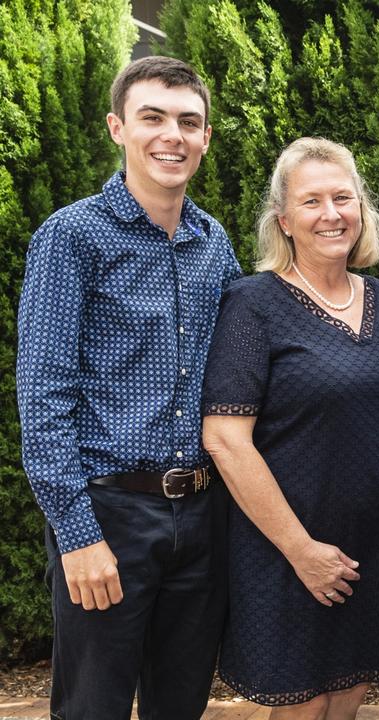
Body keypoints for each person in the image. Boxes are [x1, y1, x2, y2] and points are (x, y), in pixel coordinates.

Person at [15, 56, 241, 720]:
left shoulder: (213, 244)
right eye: (153, 118)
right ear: (118, 127)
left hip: (200, 518)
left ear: (205, 139)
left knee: (181, 706)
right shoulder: (71, 236)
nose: (172, 135)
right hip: (109, 516)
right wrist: (77, 534)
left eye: (189, 122)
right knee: (93, 709)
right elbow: (43, 396)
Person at [200, 137, 379, 717]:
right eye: (312, 202)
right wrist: (301, 550)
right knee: (307, 698)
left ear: (361, 209)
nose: (331, 214)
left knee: (351, 690)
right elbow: (225, 439)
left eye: (343, 198)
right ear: (285, 220)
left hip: (378, 543)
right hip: (291, 545)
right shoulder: (253, 304)